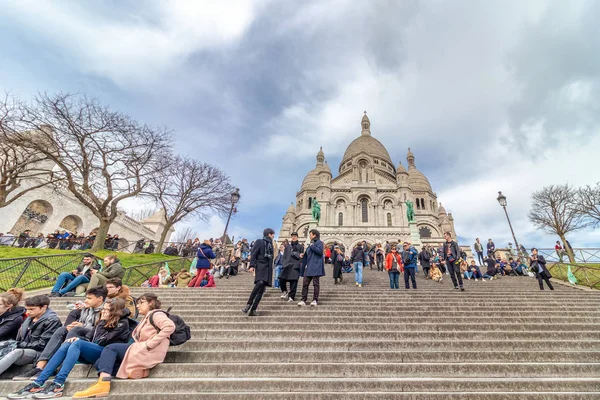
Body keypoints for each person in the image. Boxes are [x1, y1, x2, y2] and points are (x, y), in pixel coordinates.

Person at [9, 299, 131, 399]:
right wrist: (82, 336)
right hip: (96, 351)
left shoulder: (122, 323)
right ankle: (38, 382)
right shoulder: (103, 321)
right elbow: (89, 337)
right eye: (103, 309)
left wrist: (102, 325)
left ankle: (58, 383)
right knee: (68, 343)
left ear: (116, 311)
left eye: (107, 310)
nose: (104, 312)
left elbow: (103, 341)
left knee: (78, 343)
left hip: (107, 355)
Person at [72, 293, 175, 398]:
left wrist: (150, 344)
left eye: (141, 303)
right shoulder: (147, 317)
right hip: (143, 350)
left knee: (111, 348)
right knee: (99, 362)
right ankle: (134, 372)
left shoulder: (156, 314)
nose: (138, 306)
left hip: (149, 351)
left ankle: (103, 384)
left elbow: (169, 326)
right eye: (137, 303)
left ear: (151, 303)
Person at [13, 286, 107, 381]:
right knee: (62, 329)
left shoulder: (107, 310)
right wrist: (73, 326)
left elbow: (101, 330)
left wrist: (82, 326)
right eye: (86, 297)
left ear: (100, 298)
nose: (86, 300)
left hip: (94, 341)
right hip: (80, 336)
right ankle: (40, 366)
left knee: (76, 330)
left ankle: (57, 365)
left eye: (89, 298)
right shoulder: (86, 309)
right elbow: (82, 324)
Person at [0, 295, 61, 376]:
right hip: (25, 348)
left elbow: (42, 344)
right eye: (27, 309)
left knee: (16, 352)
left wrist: (18, 344)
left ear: (44, 307)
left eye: (32, 309)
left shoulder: (52, 321)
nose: (27, 312)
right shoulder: (29, 318)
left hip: (39, 353)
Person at [242, 229, 275, 316]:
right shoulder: (260, 242)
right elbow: (254, 253)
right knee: (259, 282)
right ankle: (248, 304)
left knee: (261, 290)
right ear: (269, 234)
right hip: (260, 266)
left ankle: (253, 309)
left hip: (268, 268)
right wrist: (252, 265)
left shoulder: (271, 244)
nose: (273, 236)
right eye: (273, 235)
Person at [298, 229, 325, 307]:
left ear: (314, 235)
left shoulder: (318, 242)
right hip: (308, 267)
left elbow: (320, 252)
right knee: (305, 284)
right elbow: (308, 254)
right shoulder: (311, 244)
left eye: (310, 234)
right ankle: (303, 300)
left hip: (315, 267)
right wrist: (304, 254)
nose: (309, 236)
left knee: (315, 284)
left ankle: (315, 300)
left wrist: (312, 246)